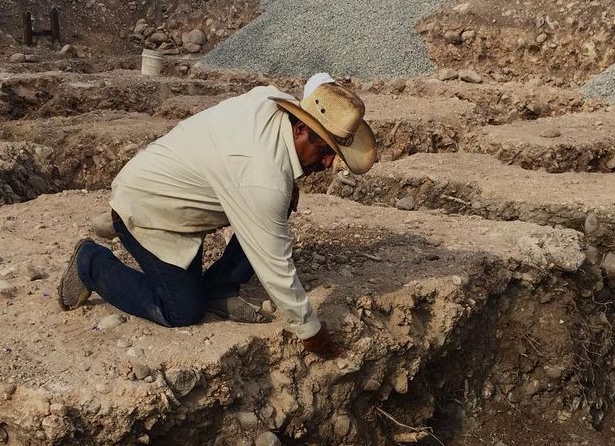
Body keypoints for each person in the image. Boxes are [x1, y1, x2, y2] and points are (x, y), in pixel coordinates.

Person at [56, 72, 377, 358]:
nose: (326, 165)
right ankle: (91, 262)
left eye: (333, 155)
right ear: (300, 130)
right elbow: (277, 267)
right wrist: (312, 333)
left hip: (174, 189)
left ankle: (220, 289)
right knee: (181, 310)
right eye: (323, 152)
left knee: (275, 206)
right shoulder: (263, 177)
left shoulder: (271, 101)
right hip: (151, 208)